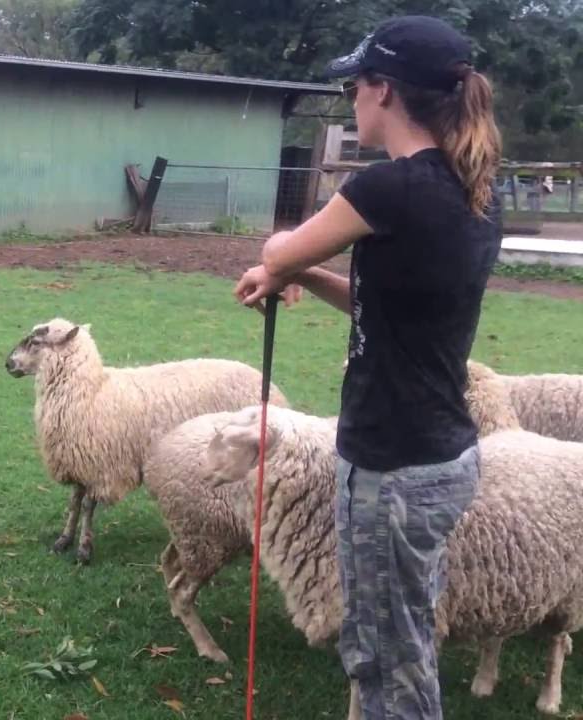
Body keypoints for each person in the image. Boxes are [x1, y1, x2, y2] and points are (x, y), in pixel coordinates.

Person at [233, 16, 502, 720]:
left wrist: (281, 262)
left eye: (355, 85)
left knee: (387, 655)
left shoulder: (390, 187)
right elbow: (387, 306)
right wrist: (307, 276)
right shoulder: (470, 188)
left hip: (394, 465)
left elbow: (277, 250)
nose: (352, 99)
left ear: (383, 91)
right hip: (442, 453)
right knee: (403, 632)